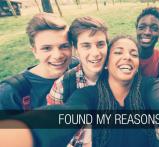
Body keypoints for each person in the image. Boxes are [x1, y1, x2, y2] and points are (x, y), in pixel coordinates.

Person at [1, 35, 159, 147]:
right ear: (106, 63)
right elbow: (66, 114)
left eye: (133, 53)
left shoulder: (149, 88)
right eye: (119, 52)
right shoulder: (89, 95)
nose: (127, 57)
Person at [46, 16, 109, 147]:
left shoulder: (119, 78)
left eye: (100, 44)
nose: (95, 53)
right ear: (75, 49)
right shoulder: (62, 87)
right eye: (86, 45)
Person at [0, 13, 72, 110]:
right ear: (35, 51)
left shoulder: (78, 67)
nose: (58, 55)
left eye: (64, 46)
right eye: (47, 48)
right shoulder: (11, 92)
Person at [136, 7, 159, 77]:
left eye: (154, 28)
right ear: (136, 29)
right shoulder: (124, 55)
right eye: (142, 27)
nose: (147, 32)